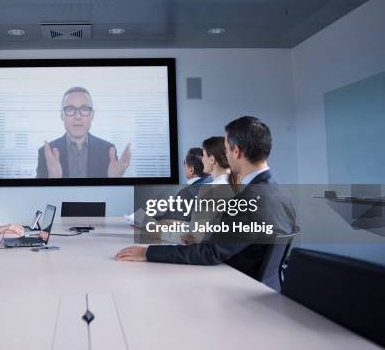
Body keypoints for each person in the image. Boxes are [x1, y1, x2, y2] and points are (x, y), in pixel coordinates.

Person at [115, 116, 299, 280]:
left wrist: (149, 253)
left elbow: (209, 253)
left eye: (226, 149)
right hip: (265, 286)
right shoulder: (280, 191)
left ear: (237, 152)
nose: (225, 155)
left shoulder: (248, 199)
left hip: (236, 288)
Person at [36, 86, 131, 178]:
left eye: (84, 109)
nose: (77, 116)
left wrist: (115, 182)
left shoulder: (108, 151)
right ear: (62, 115)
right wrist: (52, 180)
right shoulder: (46, 153)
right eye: (70, 109)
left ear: (92, 115)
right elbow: (38, 193)